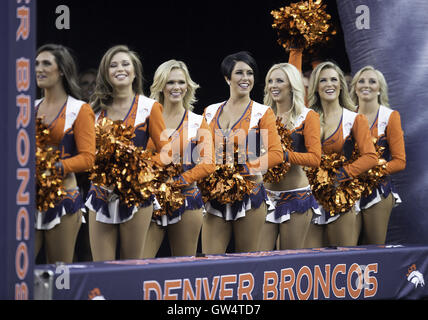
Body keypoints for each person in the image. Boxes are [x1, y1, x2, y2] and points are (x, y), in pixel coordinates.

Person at [86, 45, 170, 261]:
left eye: (125, 64)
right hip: (101, 193)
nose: (119, 69)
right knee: (101, 264)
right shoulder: (93, 109)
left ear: (135, 72)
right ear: (105, 72)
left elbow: (166, 153)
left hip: (137, 194)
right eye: (113, 65)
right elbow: (86, 154)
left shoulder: (149, 107)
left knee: (131, 264)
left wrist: (138, 168)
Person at [201, 51, 283, 254]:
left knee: (247, 262)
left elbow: (276, 154)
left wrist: (245, 168)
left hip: (250, 194)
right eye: (239, 73)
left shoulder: (262, 112)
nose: (246, 78)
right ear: (227, 78)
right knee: (210, 261)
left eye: (250, 73)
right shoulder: (210, 111)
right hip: (215, 197)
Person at [142, 60, 215, 257]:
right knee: (139, 262)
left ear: (188, 86)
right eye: (170, 82)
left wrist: (180, 181)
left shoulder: (198, 121)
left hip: (187, 198)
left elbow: (209, 163)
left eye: (181, 82)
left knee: (184, 264)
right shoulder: (146, 119)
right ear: (161, 86)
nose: (176, 87)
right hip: (152, 198)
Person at [35, 44, 96, 263]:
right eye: (36, 64)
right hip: (29, 198)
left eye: (46, 63)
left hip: (64, 199)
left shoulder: (79, 109)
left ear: (61, 70)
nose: (39, 69)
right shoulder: (28, 108)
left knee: (59, 270)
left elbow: (88, 158)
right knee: (17, 268)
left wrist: (56, 167)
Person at [307, 61, 378, 246]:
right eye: (323, 80)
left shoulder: (354, 119)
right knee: (307, 260)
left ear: (340, 85)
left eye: (333, 79)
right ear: (316, 86)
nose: (329, 84)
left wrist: (341, 174)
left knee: (341, 260)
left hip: (340, 196)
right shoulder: (307, 118)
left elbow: (371, 157)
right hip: (309, 198)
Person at [259, 62, 322, 251]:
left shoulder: (308, 116)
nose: (273, 85)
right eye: (270, 81)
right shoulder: (262, 115)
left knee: (288, 261)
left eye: (279, 80)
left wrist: (284, 155)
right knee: (258, 256)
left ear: (292, 85)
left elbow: (314, 159)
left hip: (296, 197)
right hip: (266, 196)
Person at [350, 66, 406, 244]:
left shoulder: (390, 116)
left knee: (374, 247)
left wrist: (372, 172)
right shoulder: (346, 114)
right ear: (355, 87)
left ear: (380, 88)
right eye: (361, 81)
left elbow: (400, 161)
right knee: (347, 248)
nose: (366, 85)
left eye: (372, 81)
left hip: (377, 190)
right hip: (347, 190)